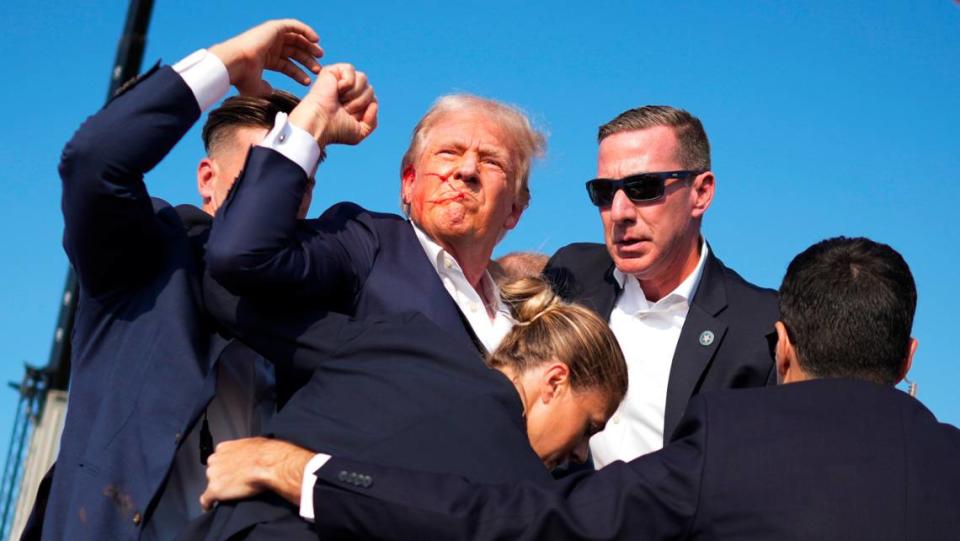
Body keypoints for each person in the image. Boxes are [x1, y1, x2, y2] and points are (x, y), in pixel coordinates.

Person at [301, 236, 960, 540]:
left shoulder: (730, 443)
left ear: (781, 344)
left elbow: (522, 518)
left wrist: (313, 474)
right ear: (907, 358)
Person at [32, 19, 375, 541]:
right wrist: (230, 61)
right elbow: (93, 163)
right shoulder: (148, 256)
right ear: (206, 179)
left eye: (298, 175)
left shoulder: (317, 297)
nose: (282, 191)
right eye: (261, 167)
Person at [199, 87, 545, 503]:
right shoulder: (365, 242)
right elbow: (240, 254)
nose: (466, 170)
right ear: (408, 182)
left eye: (491, 161)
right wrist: (311, 126)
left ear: (515, 210)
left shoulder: (529, 319)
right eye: (448, 153)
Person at [179, 276, 626, 539]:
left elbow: (231, 298)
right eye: (589, 426)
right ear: (555, 381)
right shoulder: (520, 500)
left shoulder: (404, 338)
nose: (581, 456)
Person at [544, 106, 778, 465]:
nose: (620, 211)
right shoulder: (570, 275)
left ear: (701, 192)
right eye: (604, 192)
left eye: (644, 187)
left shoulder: (760, 326)